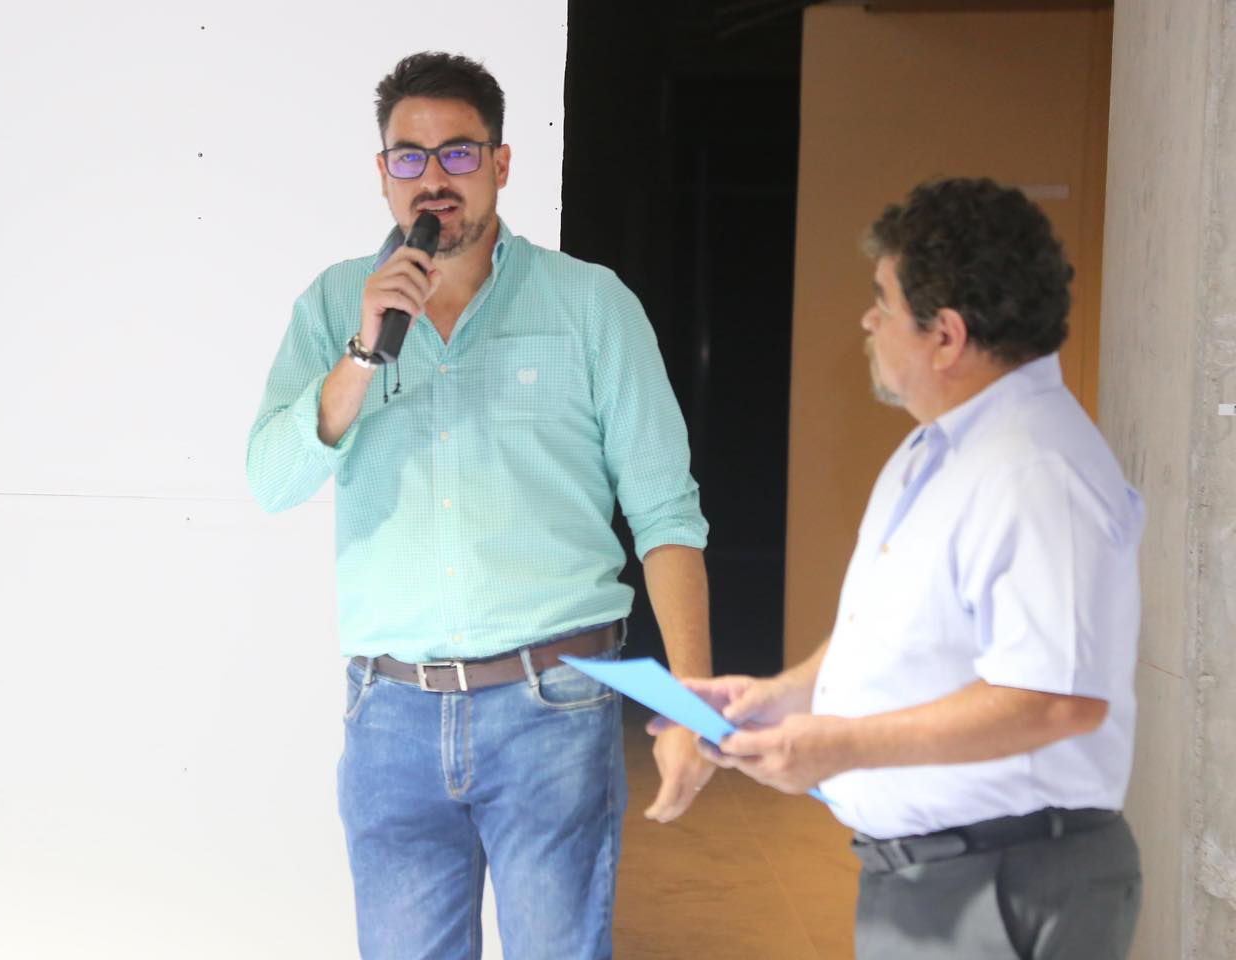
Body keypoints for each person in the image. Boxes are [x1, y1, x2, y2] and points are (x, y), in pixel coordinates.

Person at [246, 51, 714, 959]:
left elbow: (666, 514)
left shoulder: (591, 305)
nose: (434, 178)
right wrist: (361, 355)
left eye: (459, 153)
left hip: (554, 705)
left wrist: (690, 704)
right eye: (410, 157)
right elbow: (272, 481)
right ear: (383, 172)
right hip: (390, 716)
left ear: (500, 163)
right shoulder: (336, 304)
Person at [656, 178, 1144, 959]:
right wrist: (786, 694)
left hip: (1006, 883)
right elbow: (890, 631)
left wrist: (842, 745)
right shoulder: (933, 450)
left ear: (945, 336)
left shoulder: (1035, 471)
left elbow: (1055, 699)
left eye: (882, 300)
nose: (867, 319)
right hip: (938, 880)